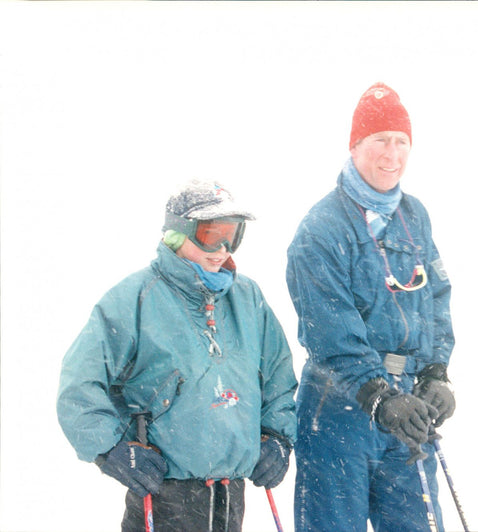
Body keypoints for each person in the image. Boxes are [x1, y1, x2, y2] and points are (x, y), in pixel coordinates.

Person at [56, 180, 298, 532]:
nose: (222, 249)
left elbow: (277, 375)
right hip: (165, 497)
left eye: (232, 234)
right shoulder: (136, 298)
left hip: (230, 497)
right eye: (210, 235)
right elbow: (79, 386)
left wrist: (277, 436)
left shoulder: (248, 299)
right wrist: (110, 450)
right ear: (177, 234)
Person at [286, 82, 456, 531]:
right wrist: (376, 395)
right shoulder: (322, 228)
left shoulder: (414, 215)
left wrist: (436, 371)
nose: (391, 153)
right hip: (339, 406)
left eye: (401, 142)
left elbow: (436, 296)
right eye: (380, 139)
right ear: (356, 145)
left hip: (406, 404)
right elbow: (329, 332)